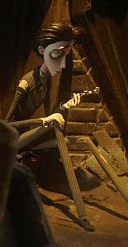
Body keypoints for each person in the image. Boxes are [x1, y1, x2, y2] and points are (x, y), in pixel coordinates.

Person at [5, 21, 83, 150]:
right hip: (11, 139)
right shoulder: (26, 82)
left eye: (66, 55)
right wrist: (42, 121)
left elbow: (49, 116)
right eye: (57, 54)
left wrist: (63, 107)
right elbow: (7, 124)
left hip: (26, 134)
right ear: (42, 50)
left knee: (71, 142)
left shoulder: (48, 81)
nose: (61, 63)